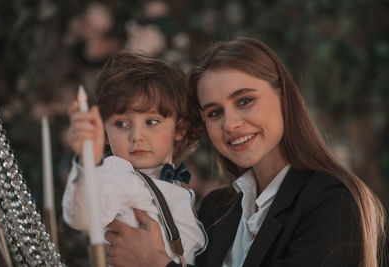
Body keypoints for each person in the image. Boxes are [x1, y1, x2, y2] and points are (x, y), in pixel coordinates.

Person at [104, 37, 387, 267]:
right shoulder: (216, 210)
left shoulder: (334, 201)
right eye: (214, 112)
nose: (230, 124)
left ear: (283, 98)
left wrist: (157, 263)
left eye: (245, 100)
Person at [61, 51, 207, 266]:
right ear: (105, 133)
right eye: (121, 124)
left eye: (151, 122)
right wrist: (87, 164)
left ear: (180, 129)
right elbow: (84, 217)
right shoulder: (118, 173)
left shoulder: (173, 184)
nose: (136, 136)